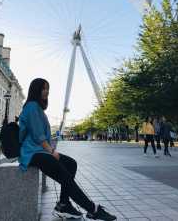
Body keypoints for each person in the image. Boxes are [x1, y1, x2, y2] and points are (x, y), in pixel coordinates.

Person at [18, 78, 117, 221]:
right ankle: (92, 209)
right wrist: (52, 151)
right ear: (36, 89)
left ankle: (64, 204)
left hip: (40, 151)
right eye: (44, 88)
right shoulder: (32, 106)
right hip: (31, 153)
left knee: (71, 164)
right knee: (64, 175)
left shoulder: (37, 108)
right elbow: (38, 134)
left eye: (48, 89)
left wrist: (50, 151)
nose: (47, 91)